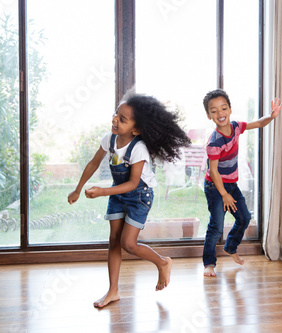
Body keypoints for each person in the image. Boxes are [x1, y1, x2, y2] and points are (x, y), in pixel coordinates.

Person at [68, 94, 191, 308]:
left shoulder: (139, 148)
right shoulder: (110, 138)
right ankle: (113, 291)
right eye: (117, 114)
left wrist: (104, 191)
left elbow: (134, 183)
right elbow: (93, 163)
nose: (115, 119)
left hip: (139, 197)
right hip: (118, 194)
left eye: (123, 119)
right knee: (114, 240)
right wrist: (78, 189)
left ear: (136, 129)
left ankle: (162, 263)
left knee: (128, 244)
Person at [202, 89, 282, 277]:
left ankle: (231, 247)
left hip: (230, 184)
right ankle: (209, 263)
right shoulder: (214, 143)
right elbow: (213, 172)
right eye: (214, 111)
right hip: (215, 187)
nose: (220, 113)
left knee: (244, 217)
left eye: (223, 108)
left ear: (230, 110)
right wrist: (224, 194)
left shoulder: (237, 127)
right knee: (216, 226)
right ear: (209, 116)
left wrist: (271, 116)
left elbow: (259, 123)